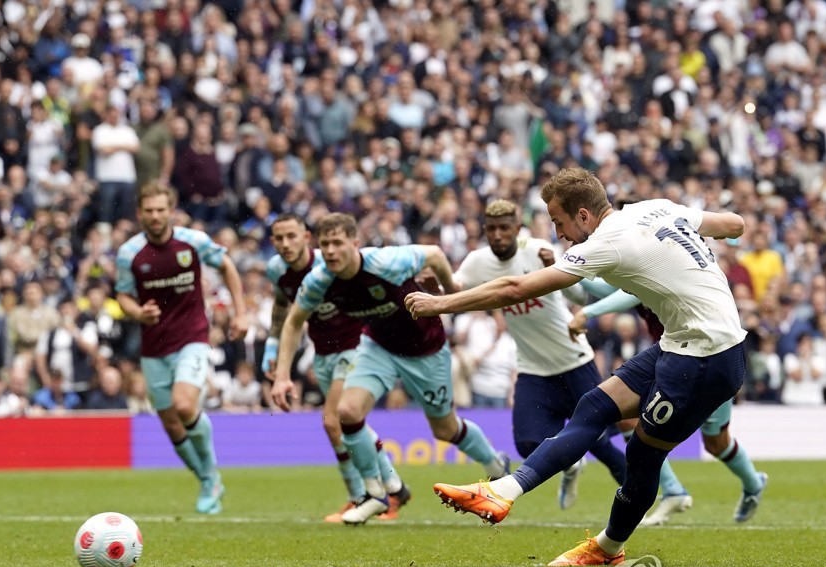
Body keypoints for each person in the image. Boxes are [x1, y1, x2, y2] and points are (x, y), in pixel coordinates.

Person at [406, 168, 747, 566]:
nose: (560, 232)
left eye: (559, 222)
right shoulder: (655, 208)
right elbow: (735, 224)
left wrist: (440, 305)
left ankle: (607, 548)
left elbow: (516, 287)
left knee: (642, 454)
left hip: (706, 357)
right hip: (681, 344)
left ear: (583, 215)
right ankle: (504, 490)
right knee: (593, 407)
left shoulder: (606, 241)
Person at [271, 213, 508, 525]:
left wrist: (450, 292)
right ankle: (375, 494)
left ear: (355, 244)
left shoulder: (387, 262)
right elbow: (293, 321)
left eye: (337, 243)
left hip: (426, 349)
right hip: (378, 346)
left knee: (445, 429)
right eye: (325, 244)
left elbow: (435, 255)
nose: (330, 251)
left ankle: (495, 465)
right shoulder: (319, 280)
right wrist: (282, 375)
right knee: (348, 412)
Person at [452, 199, 627, 510]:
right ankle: (572, 465)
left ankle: (638, 498)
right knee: (527, 444)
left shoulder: (536, 250)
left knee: (599, 441)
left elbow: (576, 293)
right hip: (532, 367)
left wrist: (551, 266)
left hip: (574, 361)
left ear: (517, 229)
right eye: (491, 229)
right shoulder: (478, 262)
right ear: (484, 231)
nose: (498, 235)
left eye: (504, 228)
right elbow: (455, 287)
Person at [568, 283, 768, 524]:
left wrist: (586, 310)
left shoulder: (654, 269)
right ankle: (674, 491)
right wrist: (567, 273)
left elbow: (624, 295)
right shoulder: (633, 269)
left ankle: (753, 484)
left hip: (709, 356)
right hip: (671, 359)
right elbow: (607, 288)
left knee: (716, 443)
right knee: (628, 417)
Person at [262, 214, 408, 522]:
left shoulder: (330, 263)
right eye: (279, 238)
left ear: (306, 237)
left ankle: (366, 495)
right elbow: (282, 308)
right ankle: (392, 487)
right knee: (348, 422)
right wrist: (272, 348)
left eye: (292, 236)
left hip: (356, 347)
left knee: (333, 422)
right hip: (323, 353)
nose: (286, 244)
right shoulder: (277, 270)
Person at [115, 181, 249, 514]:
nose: (156, 216)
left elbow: (228, 266)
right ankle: (208, 478)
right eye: (150, 211)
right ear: (139, 214)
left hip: (192, 337)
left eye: (162, 210)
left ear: (171, 211)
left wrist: (241, 313)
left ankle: (210, 474)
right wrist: (138, 312)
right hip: (154, 347)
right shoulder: (129, 253)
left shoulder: (194, 242)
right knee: (172, 423)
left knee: (184, 405)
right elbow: (123, 296)